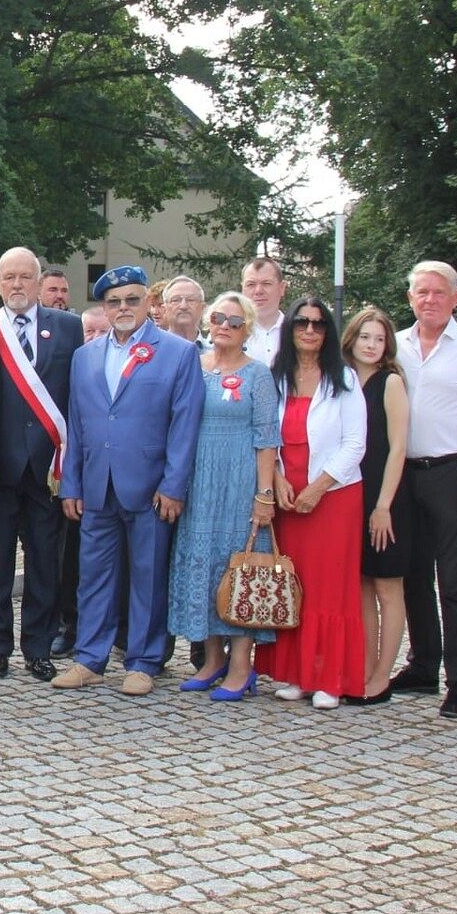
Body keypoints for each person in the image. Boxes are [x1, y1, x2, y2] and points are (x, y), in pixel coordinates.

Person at [53, 265, 202, 696]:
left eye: (131, 300)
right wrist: (72, 484)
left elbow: (184, 425)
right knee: (93, 576)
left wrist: (174, 485)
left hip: (151, 487)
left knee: (147, 575)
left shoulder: (176, 353)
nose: (122, 308)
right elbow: (77, 427)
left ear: (147, 304)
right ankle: (90, 658)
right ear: (104, 306)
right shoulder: (86, 356)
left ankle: (143, 660)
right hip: (97, 486)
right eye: (114, 301)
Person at [391, 259, 457, 718]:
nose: (429, 300)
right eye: (421, 292)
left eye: (439, 293)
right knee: (412, 573)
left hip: (453, 474)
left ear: (455, 298)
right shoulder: (395, 345)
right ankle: (423, 665)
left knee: (453, 580)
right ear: (410, 298)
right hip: (404, 473)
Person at [255, 297, 367, 709]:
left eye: (318, 325)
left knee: (330, 588)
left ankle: (330, 678)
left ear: (328, 333)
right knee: (293, 583)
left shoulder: (346, 379)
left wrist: (319, 487)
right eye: (302, 322)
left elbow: (356, 443)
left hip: (333, 495)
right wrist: (279, 479)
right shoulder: (276, 377)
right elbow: (268, 434)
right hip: (288, 495)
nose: (309, 330)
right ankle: (296, 673)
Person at [167, 292, 280, 700]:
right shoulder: (194, 366)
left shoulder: (258, 374)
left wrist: (264, 494)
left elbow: (267, 437)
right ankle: (211, 659)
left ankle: (240, 666)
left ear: (247, 328)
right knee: (205, 564)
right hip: (199, 481)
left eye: (235, 321)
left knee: (239, 570)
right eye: (219, 317)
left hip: (239, 480)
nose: (225, 326)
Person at [0, 247, 84, 681]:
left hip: (48, 469)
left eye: (25, 277)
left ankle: (38, 648)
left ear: (40, 283)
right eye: (9, 278)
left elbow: (75, 399)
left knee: (45, 562)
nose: (17, 285)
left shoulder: (68, 327)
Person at [343, 304, 410, 705]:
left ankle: (383, 675)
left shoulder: (390, 384)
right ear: (352, 339)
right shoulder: (344, 379)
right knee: (363, 586)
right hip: (352, 493)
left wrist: (383, 505)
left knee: (388, 586)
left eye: (379, 338)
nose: (371, 344)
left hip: (386, 498)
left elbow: (398, 448)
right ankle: (364, 669)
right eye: (365, 336)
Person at [241, 256, 287, 366]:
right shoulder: (228, 331)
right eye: (251, 284)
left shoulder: (297, 332)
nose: (258, 291)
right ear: (242, 289)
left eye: (266, 283)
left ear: (282, 288)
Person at [161, 277, 206, 347]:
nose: (183, 306)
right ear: (164, 309)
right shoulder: (151, 352)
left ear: (202, 308)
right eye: (175, 300)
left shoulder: (215, 354)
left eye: (191, 300)